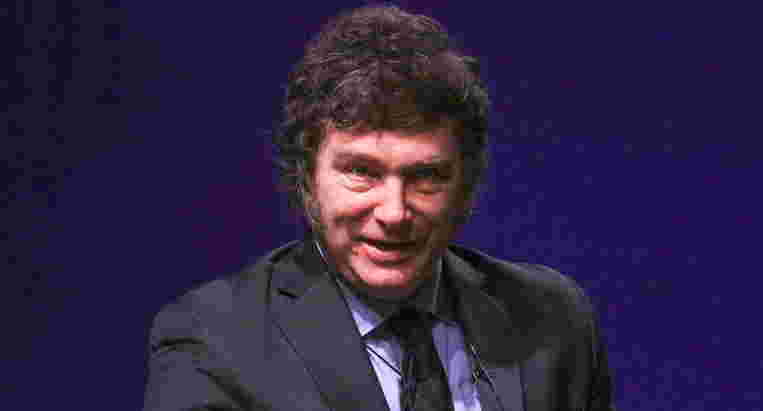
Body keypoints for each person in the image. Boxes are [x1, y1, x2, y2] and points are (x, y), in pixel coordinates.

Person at [142, 4, 616, 411]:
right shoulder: (214, 342)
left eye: (426, 176)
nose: (394, 212)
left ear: (467, 185)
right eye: (362, 172)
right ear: (307, 178)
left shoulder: (554, 321)